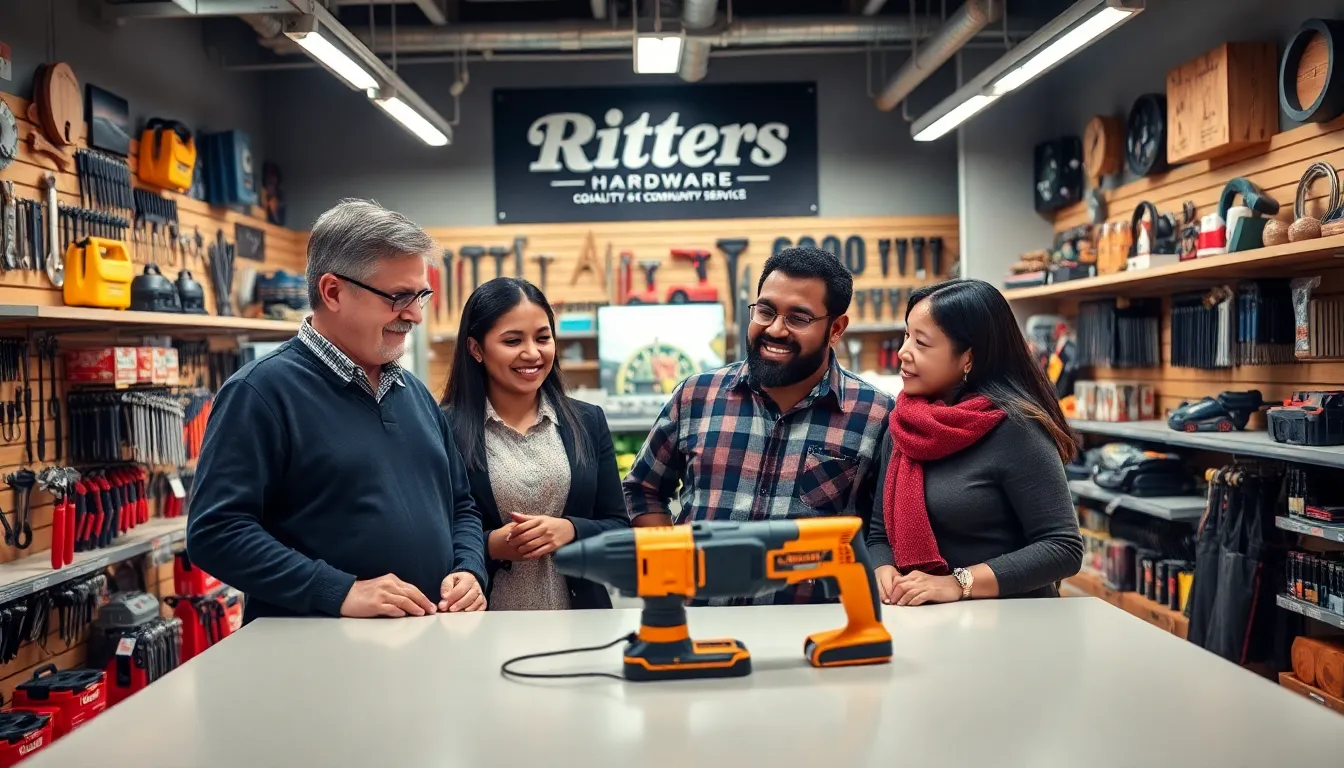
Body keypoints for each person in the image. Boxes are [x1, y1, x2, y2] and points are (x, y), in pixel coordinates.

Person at [187, 199, 488, 623]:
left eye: (420, 295)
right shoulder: (260, 393)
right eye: (399, 297)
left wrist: (469, 568)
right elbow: (216, 534)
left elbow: (462, 506)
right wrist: (338, 591)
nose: (416, 315)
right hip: (315, 659)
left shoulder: (414, 394)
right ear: (333, 292)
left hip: (424, 647)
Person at [623, 246, 894, 605]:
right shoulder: (696, 395)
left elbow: (882, 533)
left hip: (811, 631)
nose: (775, 330)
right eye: (765, 311)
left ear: (835, 329)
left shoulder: (874, 415)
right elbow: (642, 489)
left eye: (799, 318)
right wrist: (669, 569)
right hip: (699, 621)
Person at [867, 278, 1083, 606]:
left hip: (1014, 627)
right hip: (928, 626)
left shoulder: (1015, 428)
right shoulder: (904, 424)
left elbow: (1062, 548)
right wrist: (883, 570)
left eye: (921, 343)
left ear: (968, 357)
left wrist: (958, 583)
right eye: (907, 335)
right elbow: (881, 534)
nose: (902, 352)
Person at [441, 277, 629, 610]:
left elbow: (619, 529)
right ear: (476, 349)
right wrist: (490, 545)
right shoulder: (444, 427)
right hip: (482, 623)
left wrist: (570, 530)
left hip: (580, 622)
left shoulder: (587, 422)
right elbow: (435, 536)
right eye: (513, 341)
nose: (532, 353)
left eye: (543, 338)